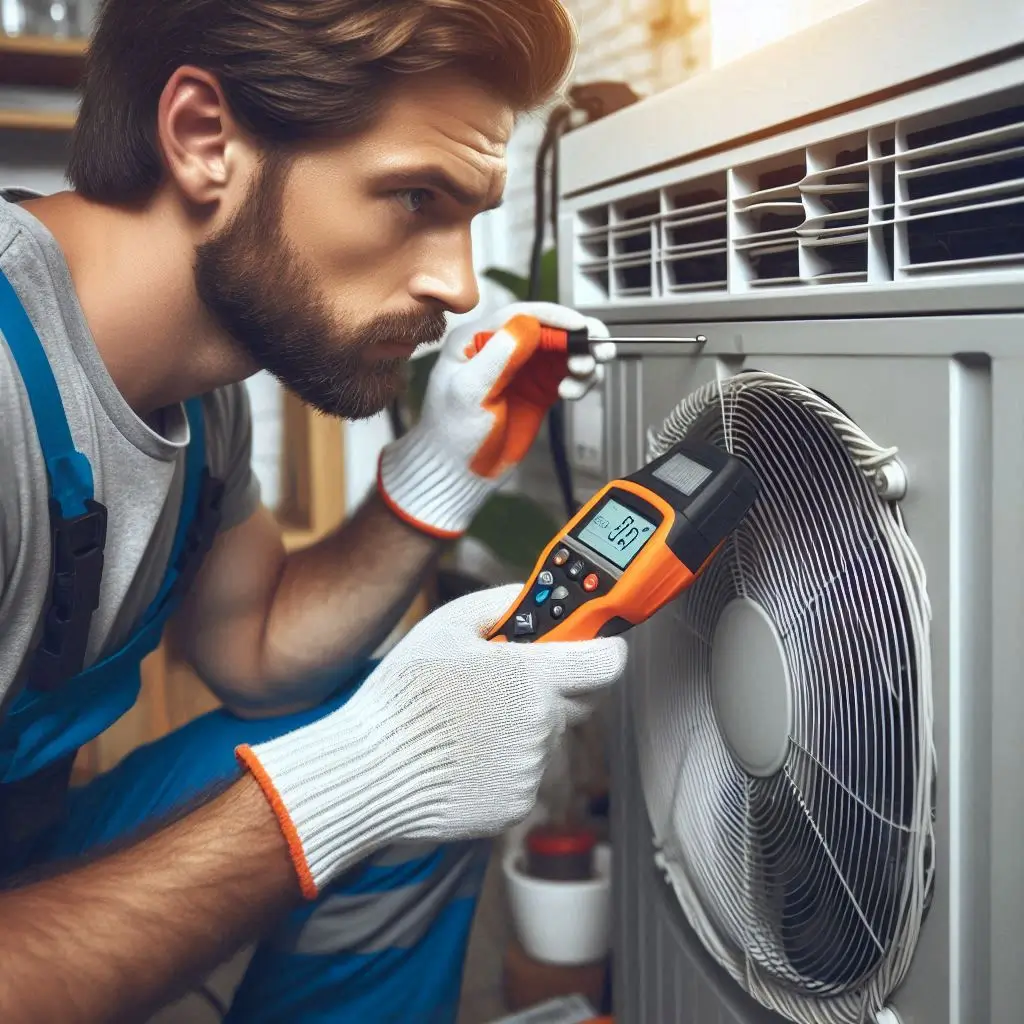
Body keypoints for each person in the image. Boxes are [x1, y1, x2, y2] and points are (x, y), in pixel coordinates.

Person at [0, 1, 629, 1021]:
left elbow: (256, 655)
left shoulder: (203, 392)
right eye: (414, 194)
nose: (459, 284)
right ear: (207, 138)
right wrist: (359, 780)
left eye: (467, 213)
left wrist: (435, 476)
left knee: (399, 756)